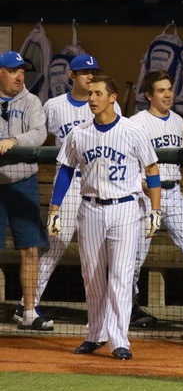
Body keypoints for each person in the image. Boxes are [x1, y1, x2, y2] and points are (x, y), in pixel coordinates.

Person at [47, 75, 161, 359]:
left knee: (121, 276)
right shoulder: (79, 133)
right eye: (90, 94)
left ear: (112, 98)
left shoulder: (132, 130)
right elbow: (65, 170)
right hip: (90, 208)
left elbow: (152, 169)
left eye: (98, 93)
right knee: (93, 276)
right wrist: (55, 208)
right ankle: (95, 335)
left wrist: (155, 210)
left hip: (125, 208)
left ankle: (119, 340)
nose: (92, 99)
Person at [16, 53, 111, 327]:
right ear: (72, 76)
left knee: (100, 250)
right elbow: (36, 133)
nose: (90, 76)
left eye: (93, 72)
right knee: (55, 245)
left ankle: (106, 311)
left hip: (97, 183)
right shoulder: (54, 105)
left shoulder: (103, 102)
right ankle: (27, 305)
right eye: (84, 72)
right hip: (68, 184)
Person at [129, 70, 183, 327]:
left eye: (169, 89)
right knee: (135, 255)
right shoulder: (136, 123)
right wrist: (139, 183)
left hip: (174, 192)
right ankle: (129, 305)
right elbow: (128, 159)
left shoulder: (178, 120)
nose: (167, 95)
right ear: (148, 95)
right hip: (145, 196)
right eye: (161, 90)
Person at [0, 50, 49, 330]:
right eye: (13, 70)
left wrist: (15, 140)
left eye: (22, 71)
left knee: (30, 248)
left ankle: (29, 311)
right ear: (0, 73)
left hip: (23, 181)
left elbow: (39, 133)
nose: (19, 76)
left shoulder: (31, 101)